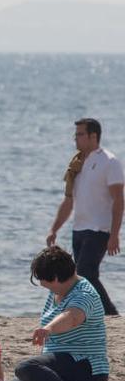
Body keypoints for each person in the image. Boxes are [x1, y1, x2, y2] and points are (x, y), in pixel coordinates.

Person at [0, 246, 108, 381]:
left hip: (85, 367)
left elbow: (72, 317)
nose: (43, 286)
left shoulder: (84, 294)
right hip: (59, 368)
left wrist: (48, 329)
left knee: (25, 368)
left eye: (44, 282)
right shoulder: (58, 290)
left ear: (55, 278)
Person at [46, 118, 124, 316]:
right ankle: (93, 313)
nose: (76, 139)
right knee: (79, 275)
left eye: (80, 134)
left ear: (93, 136)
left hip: (99, 230)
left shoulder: (109, 161)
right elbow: (69, 201)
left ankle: (110, 313)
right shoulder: (77, 164)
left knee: (86, 273)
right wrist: (54, 229)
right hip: (79, 229)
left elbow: (119, 201)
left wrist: (114, 234)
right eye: (76, 134)